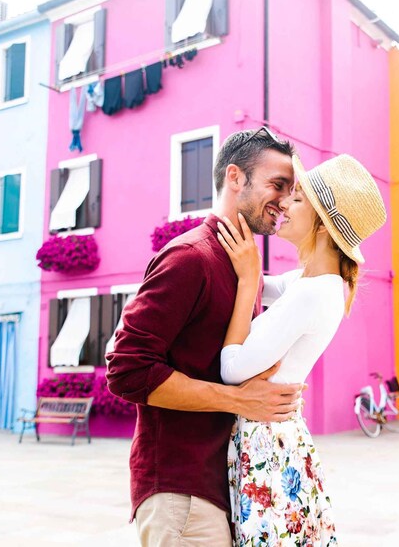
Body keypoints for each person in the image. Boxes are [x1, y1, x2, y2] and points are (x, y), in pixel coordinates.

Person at [105, 127, 303, 546]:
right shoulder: (190, 258)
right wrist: (238, 400)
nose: (285, 201)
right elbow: (126, 370)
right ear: (235, 178)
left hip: (219, 486)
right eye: (277, 185)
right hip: (181, 492)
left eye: (291, 190)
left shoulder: (242, 267)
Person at [215, 153, 387, 545]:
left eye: (298, 199)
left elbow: (232, 368)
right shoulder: (312, 283)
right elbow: (262, 280)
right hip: (278, 438)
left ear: (324, 225)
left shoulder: (312, 292)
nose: (284, 205)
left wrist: (245, 282)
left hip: (267, 447)